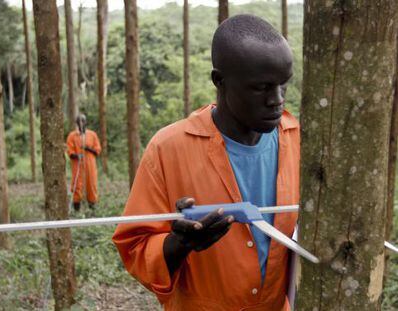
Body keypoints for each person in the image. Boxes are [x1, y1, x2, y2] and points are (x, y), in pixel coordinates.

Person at [113, 14, 299, 310]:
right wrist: (179, 244)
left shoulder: (299, 141)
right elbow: (135, 247)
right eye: (261, 88)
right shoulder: (169, 148)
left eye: (283, 85)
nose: (277, 99)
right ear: (219, 81)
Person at [66, 114, 102, 211]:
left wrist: (88, 149)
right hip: (77, 164)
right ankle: (76, 208)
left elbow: (97, 150)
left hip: (90, 164)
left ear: (86, 122)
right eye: (79, 121)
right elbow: (69, 151)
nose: (81, 123)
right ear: (76, 123)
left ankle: (92, 207)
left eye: (83, 121)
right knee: (77, 185)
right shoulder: (72, 136)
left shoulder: (92, 135)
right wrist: (77, 155)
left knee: (91, 184)